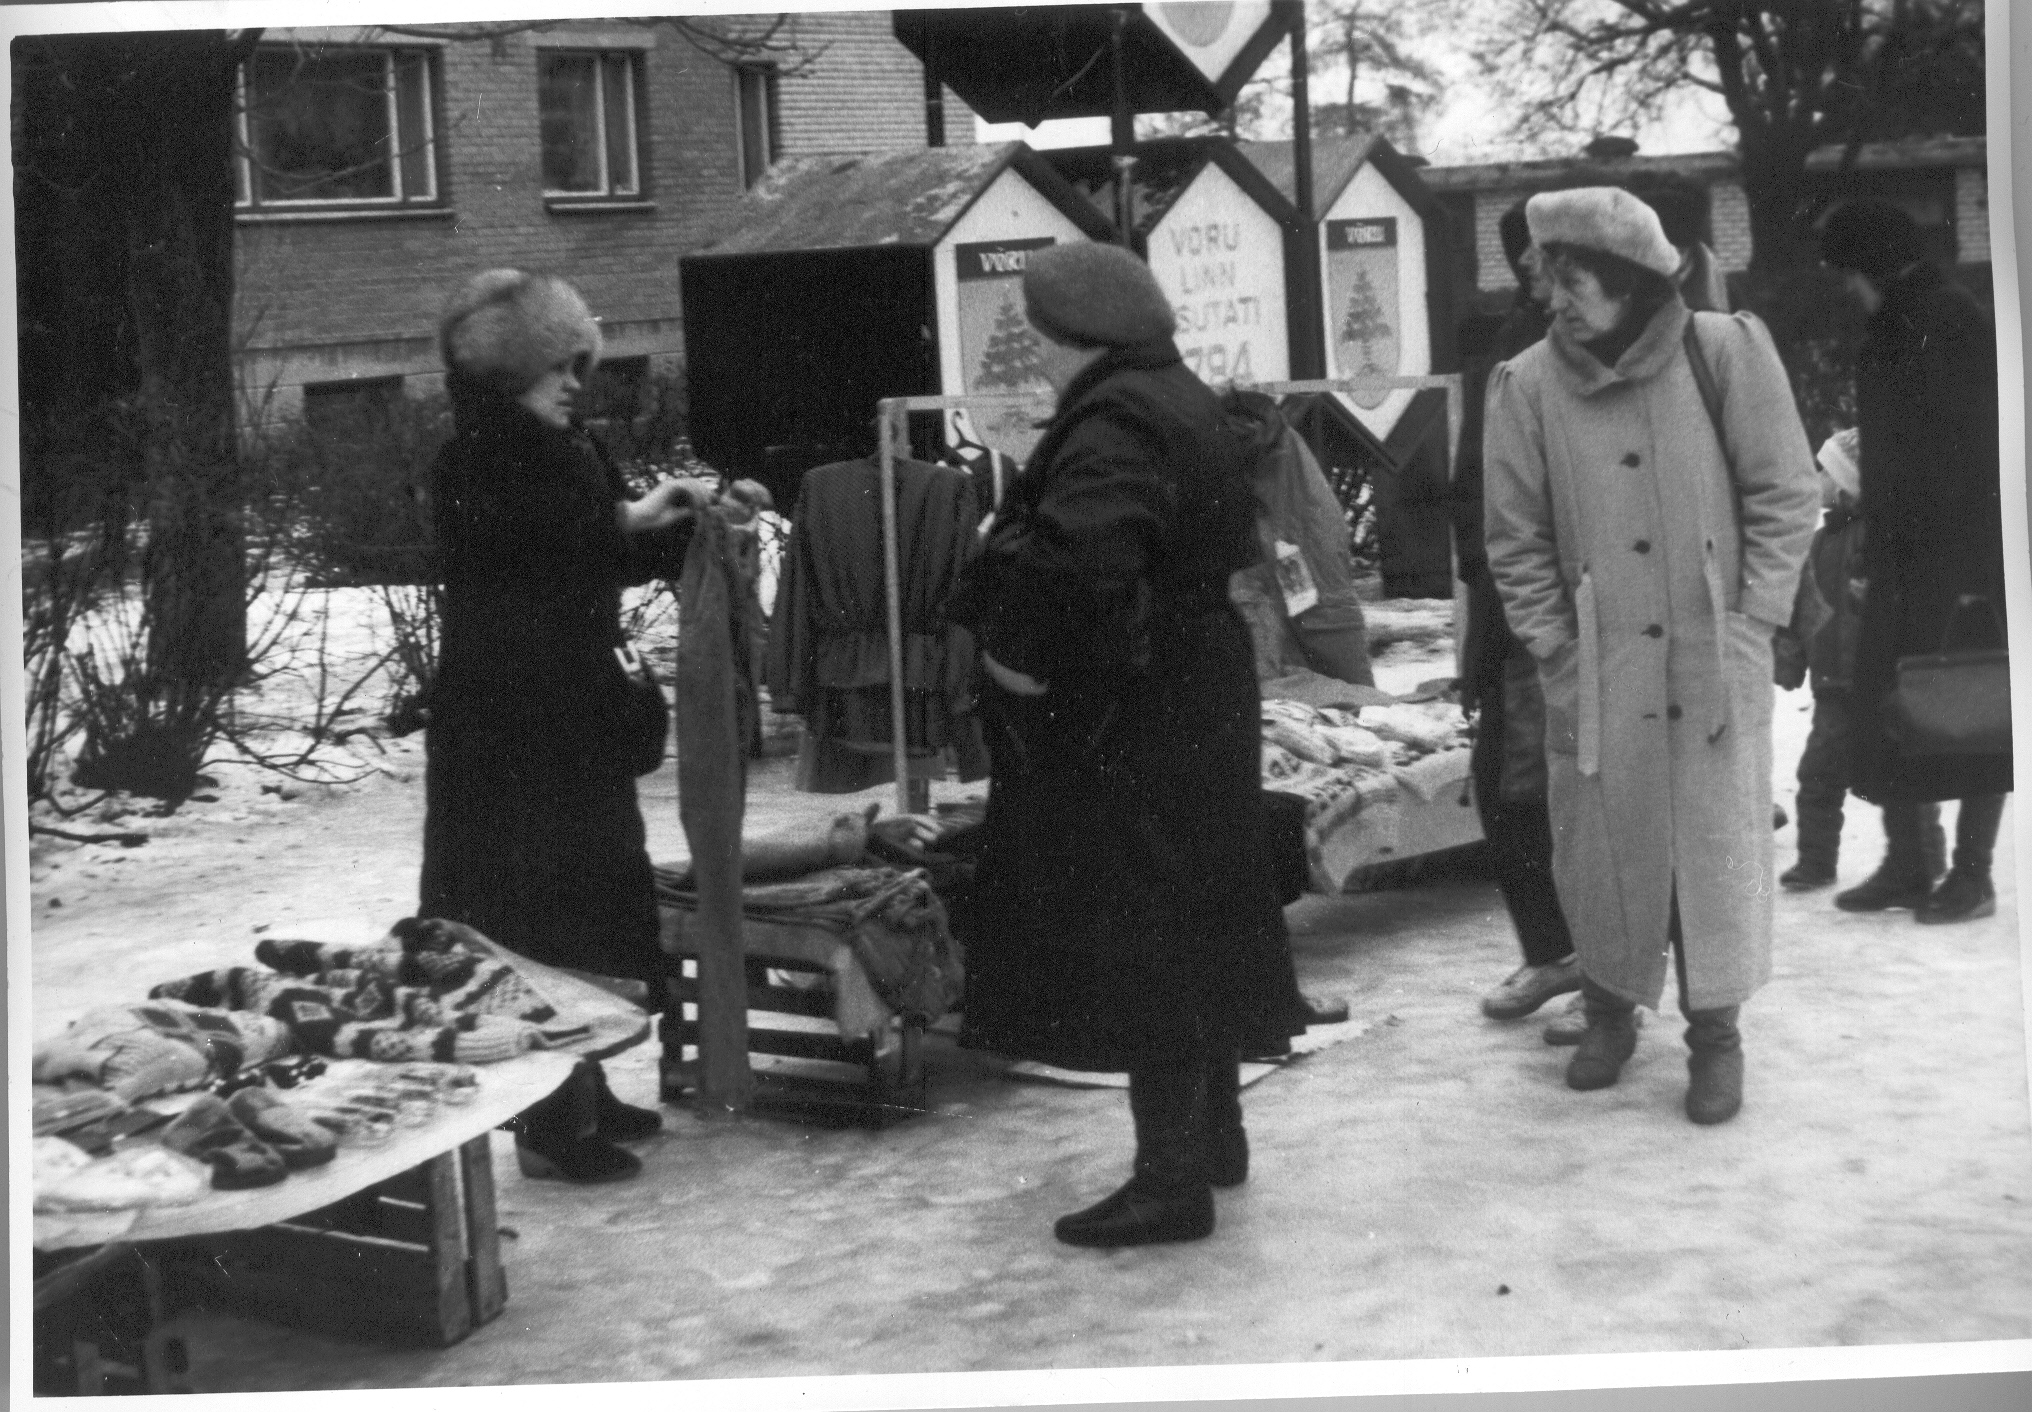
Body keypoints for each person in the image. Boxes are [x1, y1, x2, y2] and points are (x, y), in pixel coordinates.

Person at [950, 241, 1296, 1247]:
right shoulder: (1173, 392)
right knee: (1205, 904)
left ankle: (1169, 1179)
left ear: (1071, 339)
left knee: (1149, 919)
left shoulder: (1111, 419)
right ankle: (1215, 1135)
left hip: (1139, 699)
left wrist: (1021, 663)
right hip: (1198, 680)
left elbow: (1082, 564)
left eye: (1040, 341)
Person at [1483, 188, 1820, 1125]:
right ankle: (1609, 1011)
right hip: (1595, 668)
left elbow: (1787, 494)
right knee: (1598, 849)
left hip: (1714, 655)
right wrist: (1554, 647)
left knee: (1713, 849)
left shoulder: (1724, 353)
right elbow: (1512, 540)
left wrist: (1752, 623)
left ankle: (1717, 1035)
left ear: (1630, 281)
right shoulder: (1525, 385)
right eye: (1546, 280)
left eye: (1573, 279)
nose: (1555, 299)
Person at [422, 269, 713, 1182]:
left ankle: (584, 1082)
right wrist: (636, 521)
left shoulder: (547, 447)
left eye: (578, 364)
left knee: (586, 901)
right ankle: (548, 1117)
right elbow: (558, 558)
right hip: (514, 728)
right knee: (534, 917)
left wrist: (656, 519)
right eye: (558, 366)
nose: (576, 381)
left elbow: (587, 551)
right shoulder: (489, 460)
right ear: (510, 372)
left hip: (557, 716)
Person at [1818, 201, 2011, 924]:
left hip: (1963, 555)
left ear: (1871, 265)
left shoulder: (1949, 320)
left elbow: (1974, 447)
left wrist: (1962, 554)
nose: (1842, 288)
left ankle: (1972, 875)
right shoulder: (1896, 321)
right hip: (1904, 550)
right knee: (1887, 701)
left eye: (1845, 272)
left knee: (1973, 701)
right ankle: (1907, 863)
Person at [1454, 202, 1581, 1027]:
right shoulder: (1502, 345)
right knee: (1507, 791)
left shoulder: (1601, 345)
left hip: (1587, 608)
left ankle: (1613, 974)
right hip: (1508, 608)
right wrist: (1479, 626)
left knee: (1585, 799)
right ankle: (1552, 954)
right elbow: (1478, 486)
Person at [1774, 430, 1944, 891]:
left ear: (1848, 482)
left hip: (1878, 682)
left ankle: (1926, 857)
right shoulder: (1816, 544)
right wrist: (1788, 662)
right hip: (1831, 685)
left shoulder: (1879, 539)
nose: (1816, 478)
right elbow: (1797, 610)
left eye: (1824, 469)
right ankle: (1815, 861)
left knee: (1899, 770)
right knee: (1817, 775)